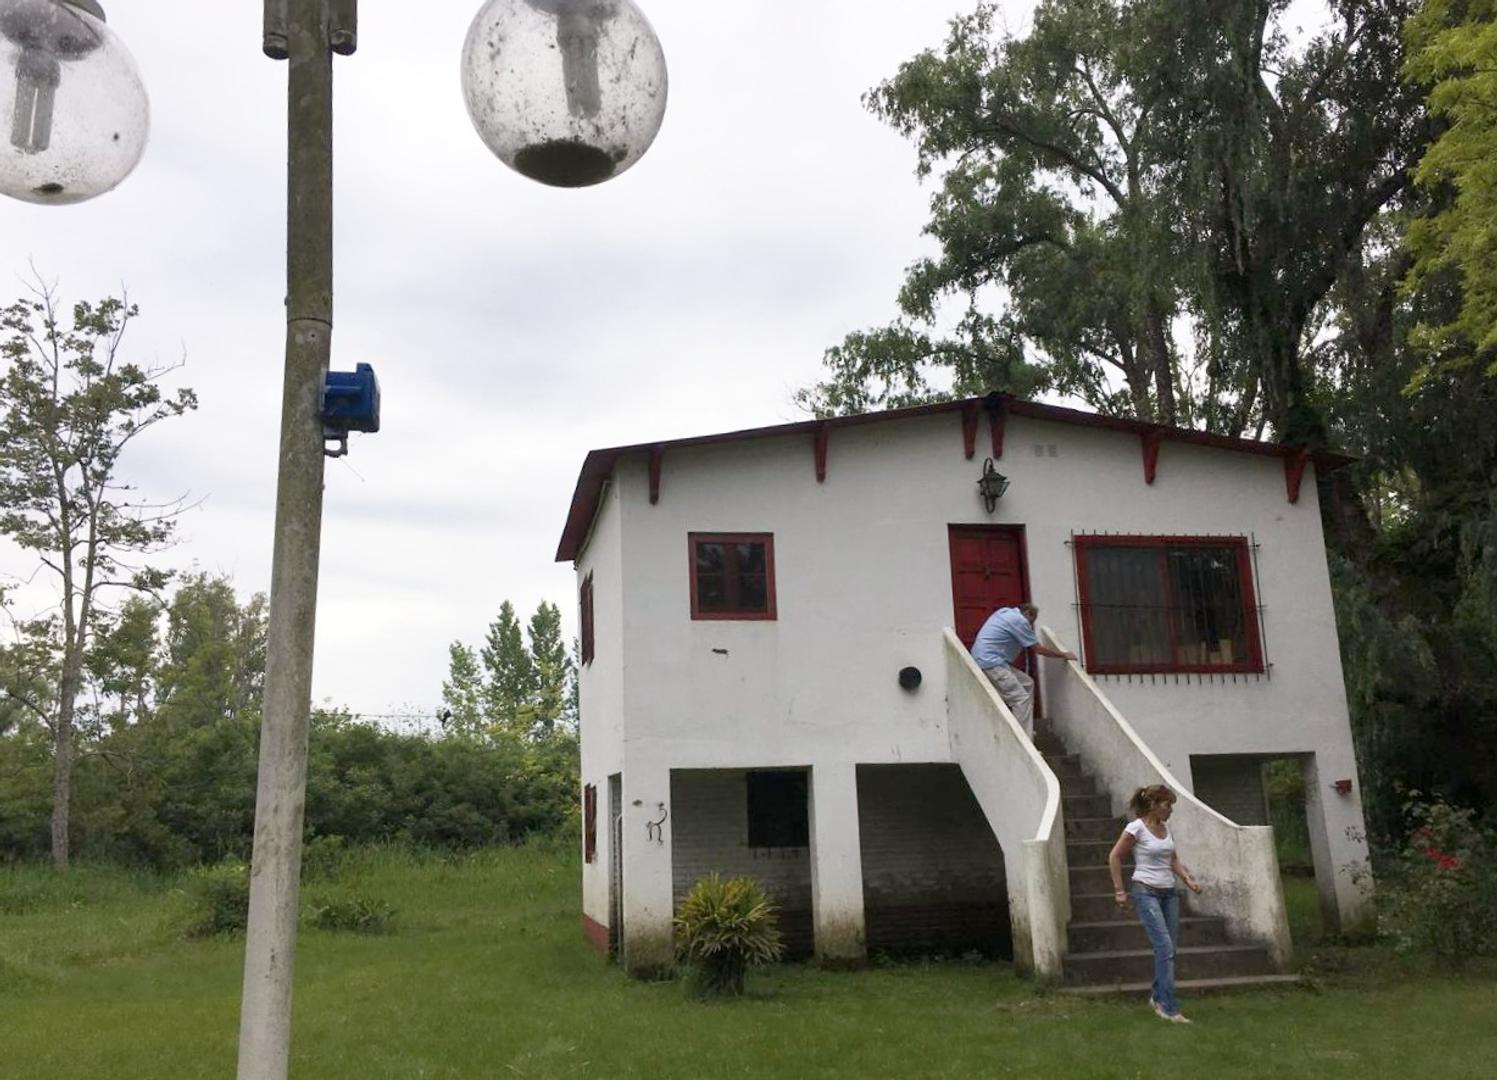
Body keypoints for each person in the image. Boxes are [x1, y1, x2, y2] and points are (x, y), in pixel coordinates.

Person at [1108, 784, 1203, 1024]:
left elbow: (1173, 860)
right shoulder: (1136, 828)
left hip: (1169, 893)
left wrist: (1188, 880)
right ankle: (1168, 1008)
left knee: (1170, 949)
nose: (1170, 810)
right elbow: (1115, 856)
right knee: (1164, 947)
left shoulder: (1166, 829)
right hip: (1145, 892)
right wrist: (1119, 891)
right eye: (1167, 805)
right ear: (1153, 805)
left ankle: (1158, 995)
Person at [970, 602, 1075, 738]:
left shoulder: (1004, 612)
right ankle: (1023, 738)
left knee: (1027, 683)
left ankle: (1025, 726)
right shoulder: (1019, 621)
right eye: (1031, 621)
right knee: (1021, 700)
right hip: (992, 663)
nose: (1030, 626)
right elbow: (1038, 649)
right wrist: (1063, 654)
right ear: (1027, 613)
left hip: (988, 660)